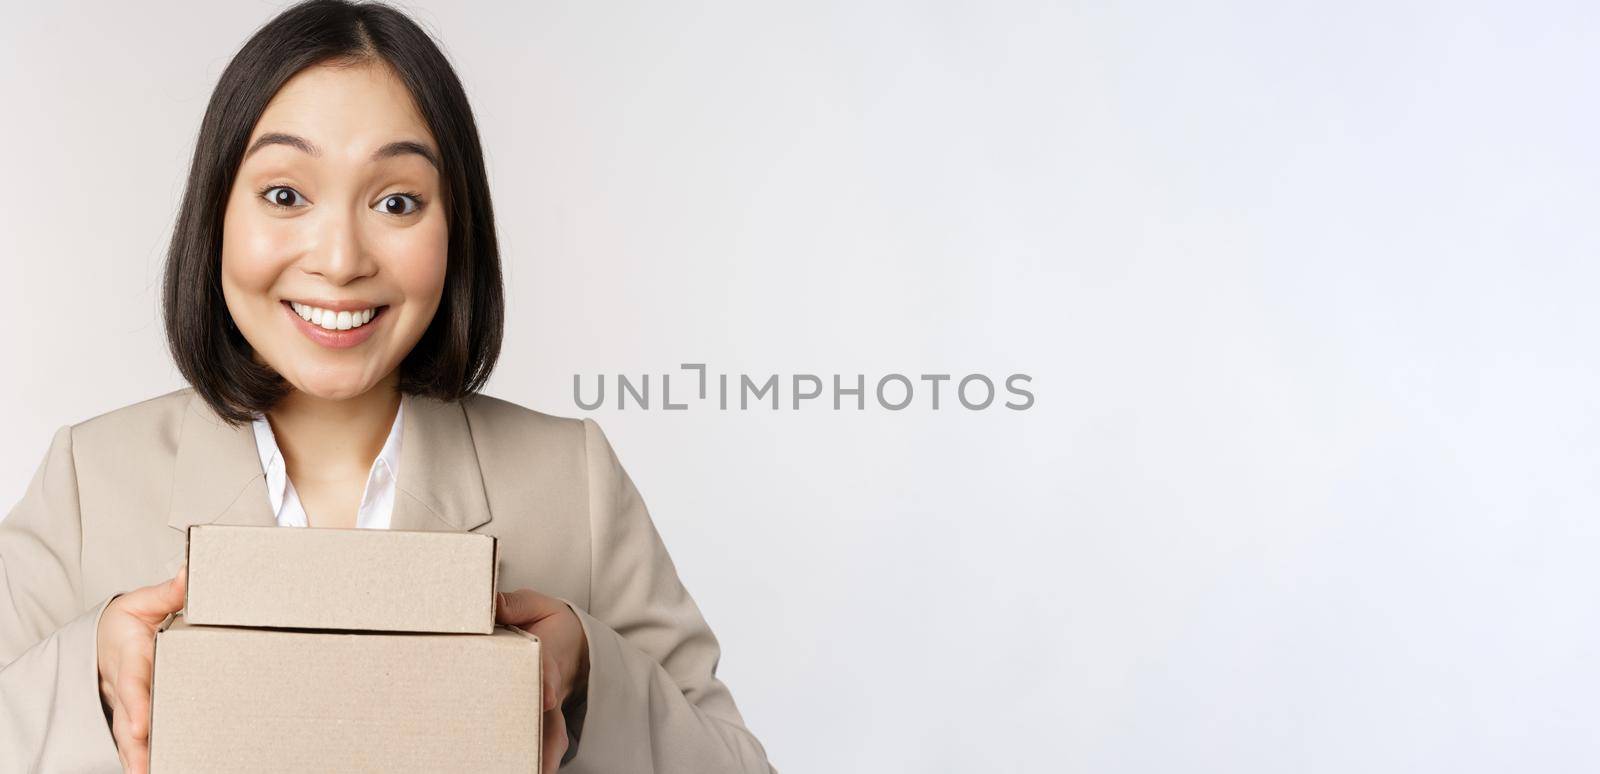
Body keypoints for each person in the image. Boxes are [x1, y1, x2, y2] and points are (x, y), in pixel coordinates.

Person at [0, 2, 774, 772]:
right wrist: (93, 681)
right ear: (216, 214)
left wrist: (586, 677)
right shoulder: (89, 479)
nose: (340, 259)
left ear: (455, 227)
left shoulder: (572, 478)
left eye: (397, 202)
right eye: (284, 195)